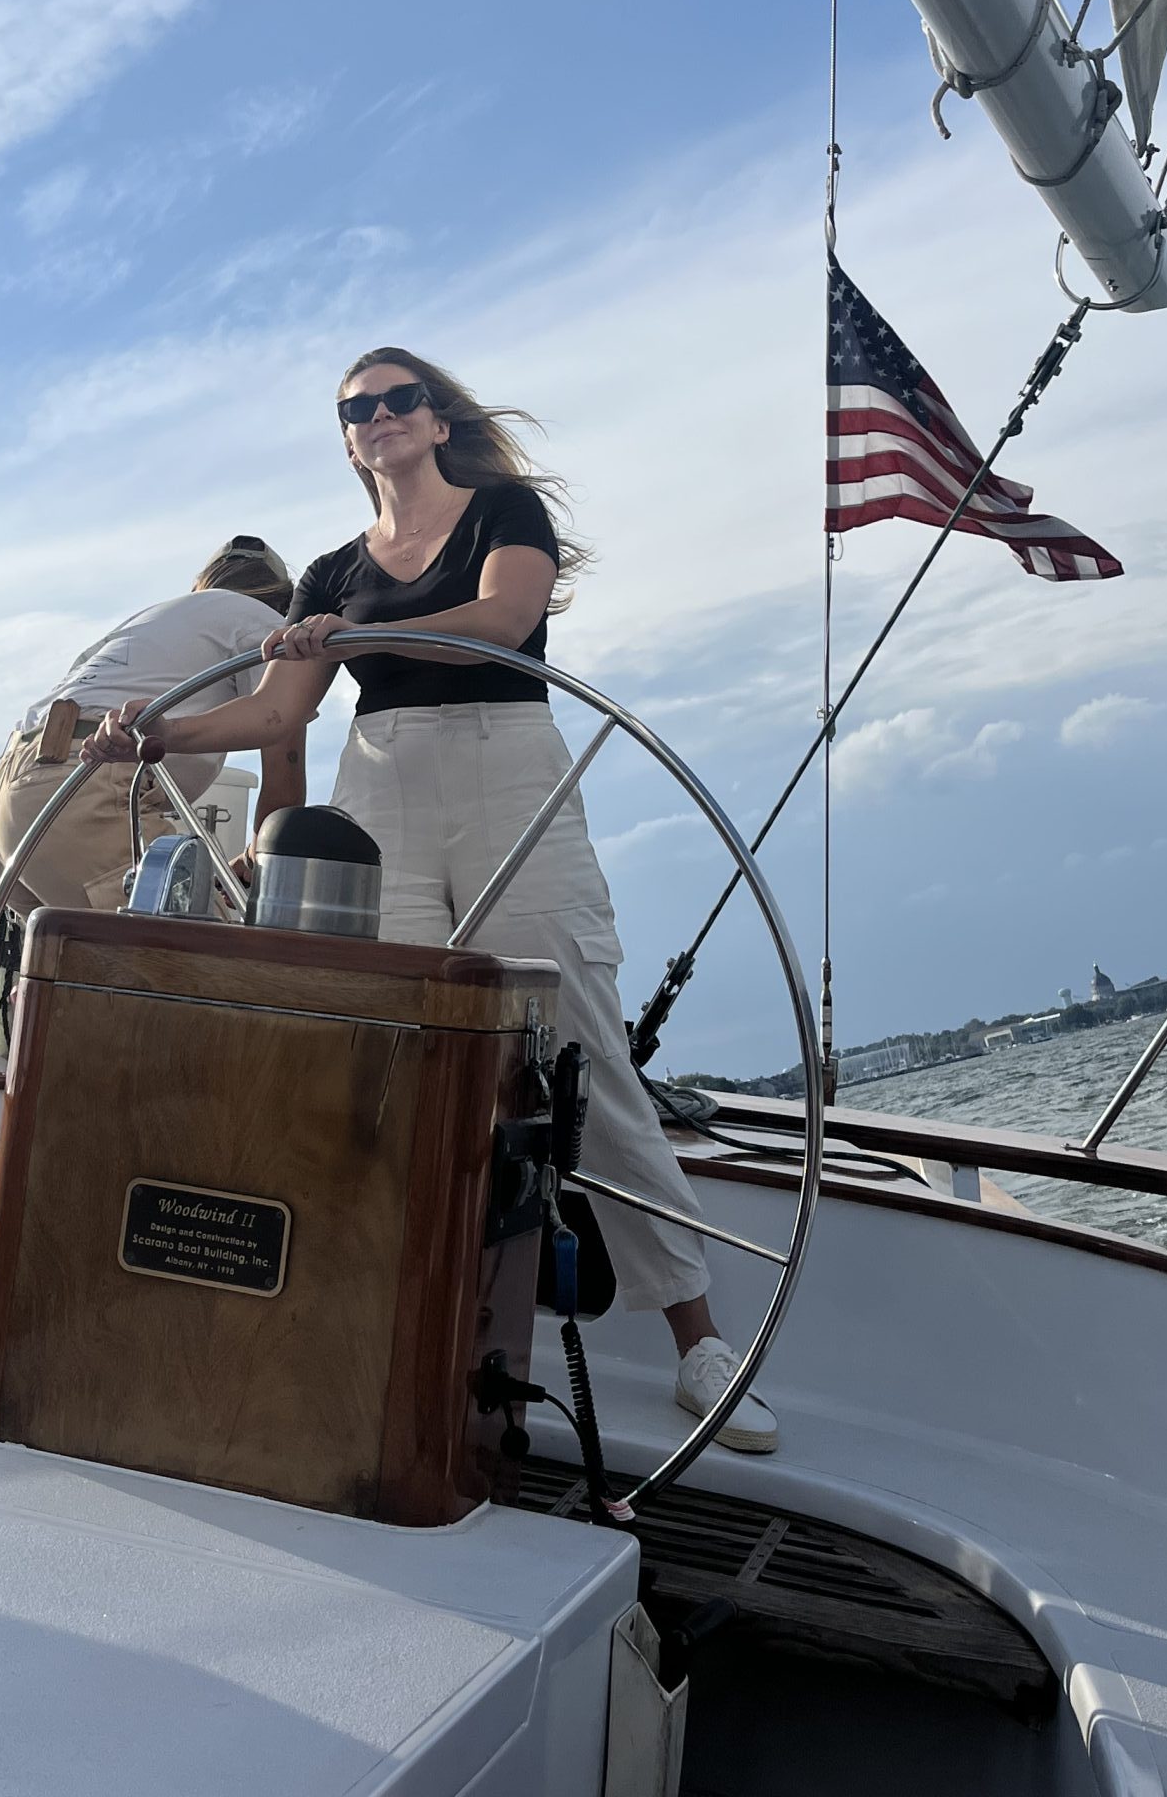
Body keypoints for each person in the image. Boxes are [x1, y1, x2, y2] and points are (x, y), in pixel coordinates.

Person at [88, 352, 777, 1451]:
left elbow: (501, 621)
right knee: (398, 1049)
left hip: (507, 765)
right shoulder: (328, 572)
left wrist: (355, 637)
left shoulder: (505, 511)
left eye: (399, 397)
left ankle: (699, 1339)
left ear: (438, 419)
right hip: (384, 780)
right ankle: (394, 1325)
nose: (381, 415)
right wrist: (157, 735)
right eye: (358, 408)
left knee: (580, 1042)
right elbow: (278, 716)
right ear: (347, 440)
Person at [0, 536, 302, 914]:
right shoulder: (266, 624)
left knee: (77, 953)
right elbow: (283, 765)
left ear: (202, 584)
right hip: (86, 791)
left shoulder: (154, 621)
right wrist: (254, 858)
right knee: (207, 948)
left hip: (8, 799)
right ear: (283, 602)